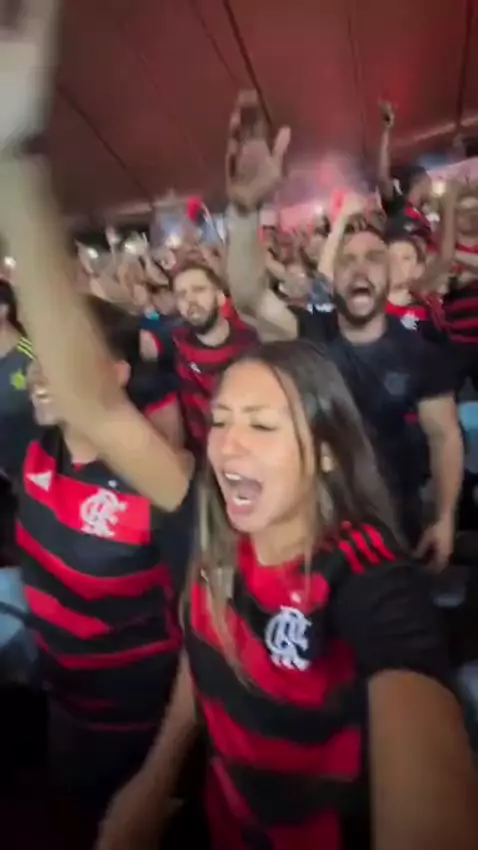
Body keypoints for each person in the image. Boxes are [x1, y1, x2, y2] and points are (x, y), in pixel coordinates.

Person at [97, 341, 478, 850]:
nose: (228, 446)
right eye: (220, 421)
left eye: (261, 425)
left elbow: (413, 691)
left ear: (325, 452)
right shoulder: (216, 536)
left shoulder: (362, 569)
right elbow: (208, 648)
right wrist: (154, 779)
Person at [226, 96, 462, 565]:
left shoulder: (419, 353)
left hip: (394, 518)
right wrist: (245, 213)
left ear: (389, 276)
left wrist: (445, 516)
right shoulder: (308, 331)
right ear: (333, 277)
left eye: (373, 258)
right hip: (316, 518)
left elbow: (444, 436)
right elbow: (249, 297)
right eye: (348, 260)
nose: (359, 267)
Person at [14, 297, 194, 814]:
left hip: (139, 728)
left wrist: (162, 768)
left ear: (117, 375)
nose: (40, 374)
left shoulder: (160, 484)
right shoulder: (36, 452)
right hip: (64, 704)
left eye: (63, 359)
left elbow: (203, 632)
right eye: (39, 357)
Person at [161, 262, 257, 453]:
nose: (190, 300)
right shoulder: (177, 347)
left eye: (199, 289)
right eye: (181, 295)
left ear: (220, 297)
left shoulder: (252, 344)